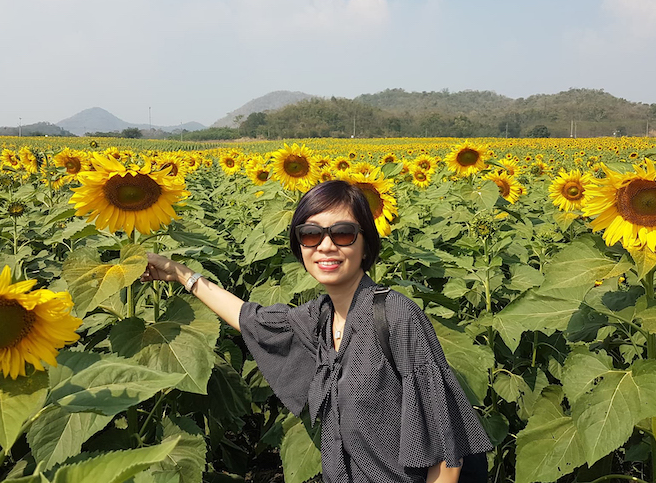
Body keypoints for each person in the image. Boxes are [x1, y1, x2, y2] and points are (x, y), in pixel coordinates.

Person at [143, 179, 492, 483]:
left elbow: (447, 453)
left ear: (366, 244)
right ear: (300, 247)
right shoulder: (320, 317)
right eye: (311, 234)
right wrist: (181, 274)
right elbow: (251, 319)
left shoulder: (398, 317)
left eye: (342, 233)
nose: (325, 246)